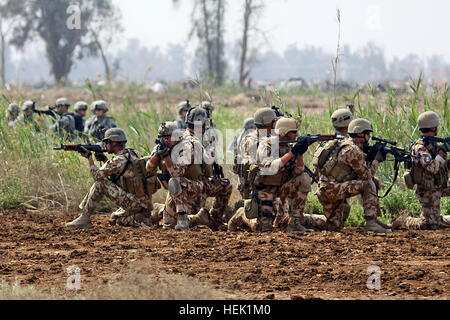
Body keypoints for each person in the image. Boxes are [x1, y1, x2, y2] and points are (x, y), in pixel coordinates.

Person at [228, 117, 314, 233]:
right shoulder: (266, 144)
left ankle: (294, 223)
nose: (296, 134)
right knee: (263, 228)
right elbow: (270, 168)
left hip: (282, 187)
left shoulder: (288, 146)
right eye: (293, 132)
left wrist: (300, 153)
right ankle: (242, 213)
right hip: (265, 190)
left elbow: (298, 171)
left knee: (304, 178)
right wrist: (292, 153)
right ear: (284, 131)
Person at [66, 128, 159, 229]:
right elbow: (119, 173)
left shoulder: (118, 160)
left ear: (113, 143)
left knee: (100, 184)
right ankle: (142, 217)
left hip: (133, 203)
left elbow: (97, 176)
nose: (105, 145)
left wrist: (89, 157)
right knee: (116, 219)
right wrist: (105, 159)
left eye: (107, 142)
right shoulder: (133, 153)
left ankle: (84, 218)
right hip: (143, 203)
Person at [315, 118, 392, 233]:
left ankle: (300, 219)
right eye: (367, 134)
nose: (369, 137)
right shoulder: (352, 150)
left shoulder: (346, 144)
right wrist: (376, 159)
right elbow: (367, 175)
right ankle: (371, 222)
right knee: (368, 183)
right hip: (332, 190)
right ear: (360, 134)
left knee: (334, 226)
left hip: (327, 189)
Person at [146, 121, 215, 230]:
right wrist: (157, 155)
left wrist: (166, 157)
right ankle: (197, 218)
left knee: (175, 181)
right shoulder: (161, 147)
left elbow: (177, 173)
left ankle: (183, 219)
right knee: (169, 225)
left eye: (169, 137)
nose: (166, 140)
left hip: (195, 186)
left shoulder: (186, 147)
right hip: (176, 191)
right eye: (163, 138)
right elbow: (148, 168)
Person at [392, 111, 449, 230]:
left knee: (436, 221)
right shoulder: (420, 148)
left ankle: (438, 218)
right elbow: (432, 168)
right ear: (433, 127)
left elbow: (444, 166)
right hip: (427, 190)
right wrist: (442, 153)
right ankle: (405, 221)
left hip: (440, 185)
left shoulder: (435, 144)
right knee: (431, 224)